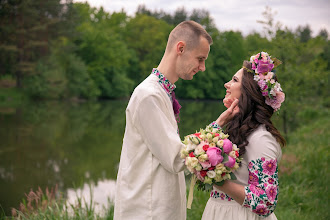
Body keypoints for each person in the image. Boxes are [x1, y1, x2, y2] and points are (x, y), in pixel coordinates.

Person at [114, 20, 214, 220]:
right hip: (147, 209)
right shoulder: (148, 95)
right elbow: (176, 158)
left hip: (159, 205)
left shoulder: (162, 92)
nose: (202, 67)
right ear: (181, 48)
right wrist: (216, 131)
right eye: (200, 59)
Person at [202, 52, 286, 220]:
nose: (226, 84)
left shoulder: (261, 138)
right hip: (218, 211)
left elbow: (265, 202)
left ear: (249, 91)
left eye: (234, 80)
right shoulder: (233, 128)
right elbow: (197, 151)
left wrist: (220, 182)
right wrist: (219, 121)